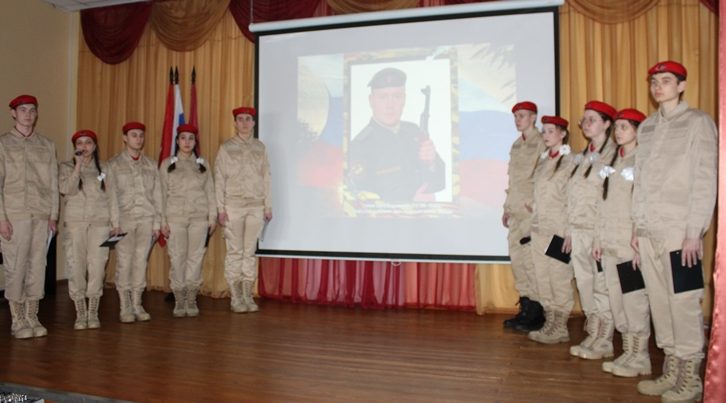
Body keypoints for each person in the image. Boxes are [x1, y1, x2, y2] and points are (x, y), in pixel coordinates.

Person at [632, 60, 717, 402]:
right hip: (648, 231)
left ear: (681, 86)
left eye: (666, 81)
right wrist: (636, 227)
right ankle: (671, 370)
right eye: (654, 81)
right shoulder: (647, 127)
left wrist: (695, 231)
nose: (658, 87)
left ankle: (691, 379)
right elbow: (639, 182)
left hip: (680, 232)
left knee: (683, 302)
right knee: (659, 301)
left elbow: (705, 179)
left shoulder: (698, 122)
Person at [591, 109, 651, 377]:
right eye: (616, 127)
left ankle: (641, 357)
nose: (618, 132)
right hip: (610, 243)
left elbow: (644, 205)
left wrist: (640, 244)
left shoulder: (643, 160)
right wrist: (598, 239)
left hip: (629, 246)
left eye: (624, 127)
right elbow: (601, 204)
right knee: (617, 300)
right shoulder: (612, 161)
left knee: (634, 301)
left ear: (638, 130)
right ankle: (628, 351)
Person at [0, 94, 59, 339]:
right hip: (15, 215)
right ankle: (18, 319)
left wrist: (53, 215)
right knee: (16, 267)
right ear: (13, 113)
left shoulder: (46, 145)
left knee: (37, 266)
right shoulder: (3, 144)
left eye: (32, 110)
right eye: (23, 110)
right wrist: (1, 218)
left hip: (41, 214)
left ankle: (32, 315)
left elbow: (53, 183)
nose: (28, 115)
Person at [566, 100, 618, 360]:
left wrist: (599, 236)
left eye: (592, 120)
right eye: (584, 120)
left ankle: (605, 339)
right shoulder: (582, 156)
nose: (586, 124)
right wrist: (568, 230)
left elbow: (609, 200)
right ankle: (594, 331)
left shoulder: (614, 156)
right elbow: (573, 196)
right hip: (578, 230)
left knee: (601, 285)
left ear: (607, 124)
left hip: (599, 232)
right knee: (585, 283)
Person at [348, 67, 445, 202]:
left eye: (397, 96)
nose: (390, 105)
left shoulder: (413, 131)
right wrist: (410, 203)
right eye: (383, 97)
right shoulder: (360, 146)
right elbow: (360, 199)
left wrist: (431, 162)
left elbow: (440, 183)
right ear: (371, 101)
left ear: (404, 99)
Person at [215, 107, 272, 313]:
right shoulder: (226, 148)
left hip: (256, 206)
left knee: (249, 252)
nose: (245, 123)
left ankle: (248, 294)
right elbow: (219, 178)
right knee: (235, 251)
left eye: (248, 119)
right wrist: (220, 208)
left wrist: (268, 205)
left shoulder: (260, 147)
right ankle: (236, 296)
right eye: (240, 119)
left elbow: (266, 177)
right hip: (233, 206)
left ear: (253, 123)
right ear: (235, 123)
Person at [106, 121, 162, 323]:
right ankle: (125, 306)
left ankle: (137, 303)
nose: (138, 139)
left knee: (140, 262)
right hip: (124, 221)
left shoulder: (150, 164)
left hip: (146, 219)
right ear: (125, 138)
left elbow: (157, 195)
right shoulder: (114, 164)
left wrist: (157, 223)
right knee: (124, 263)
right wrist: (114, 223)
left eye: (140, 135)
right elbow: (111, 196)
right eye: (133, 135)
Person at [527, 115, 575, 344]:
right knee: (542, 277)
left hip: (559, 229)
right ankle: (550, 321)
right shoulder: (543, 160)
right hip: (540, 228)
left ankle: (560, 326)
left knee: (559, 276)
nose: (545, 135)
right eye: (543, 131)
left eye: (550, 131)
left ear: (562, 133)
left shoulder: (571, 161)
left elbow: (573, 199)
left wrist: (570, 231)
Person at [159, 124, 216, 317]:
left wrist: (212, 217)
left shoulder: (203, 164)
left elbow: (210, 192)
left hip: (199, 219)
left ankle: (191, 298)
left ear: (195, 141)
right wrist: (162, 221)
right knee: (177, 258)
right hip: (175, 218)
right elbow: (161, 194)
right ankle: (179, 299)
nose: (187, 142)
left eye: (191, 138)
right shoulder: (167, 164)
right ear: (177, 141)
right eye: (183, 138)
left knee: (196, 259)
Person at [59, 129, 112, 330]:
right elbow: (67, 189)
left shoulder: (104, 168)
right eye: (80, 143)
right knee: (76, 267)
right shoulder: (66, 167)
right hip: (75, 225)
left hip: (100, 224)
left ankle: (93, 312)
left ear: (95, 146)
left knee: (98, 267)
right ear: (75, 147)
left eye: (88, 142)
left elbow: (112, 196)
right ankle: (80, 312)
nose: (84, 147)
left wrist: (115, 223)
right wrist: (77, 167)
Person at [502, 101, 546, 331]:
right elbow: (514, 180)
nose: (518, 120)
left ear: (533, 117)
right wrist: (506, 207)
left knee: (531, 261)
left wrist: (537, 206)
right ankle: (526, 307)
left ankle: (537, 312)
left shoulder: (542, 142)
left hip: (530, 212)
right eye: (516, 116)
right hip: (516, 211)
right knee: (518, 261)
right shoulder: (517, 145)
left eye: (522, 116)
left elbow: (544, 177)